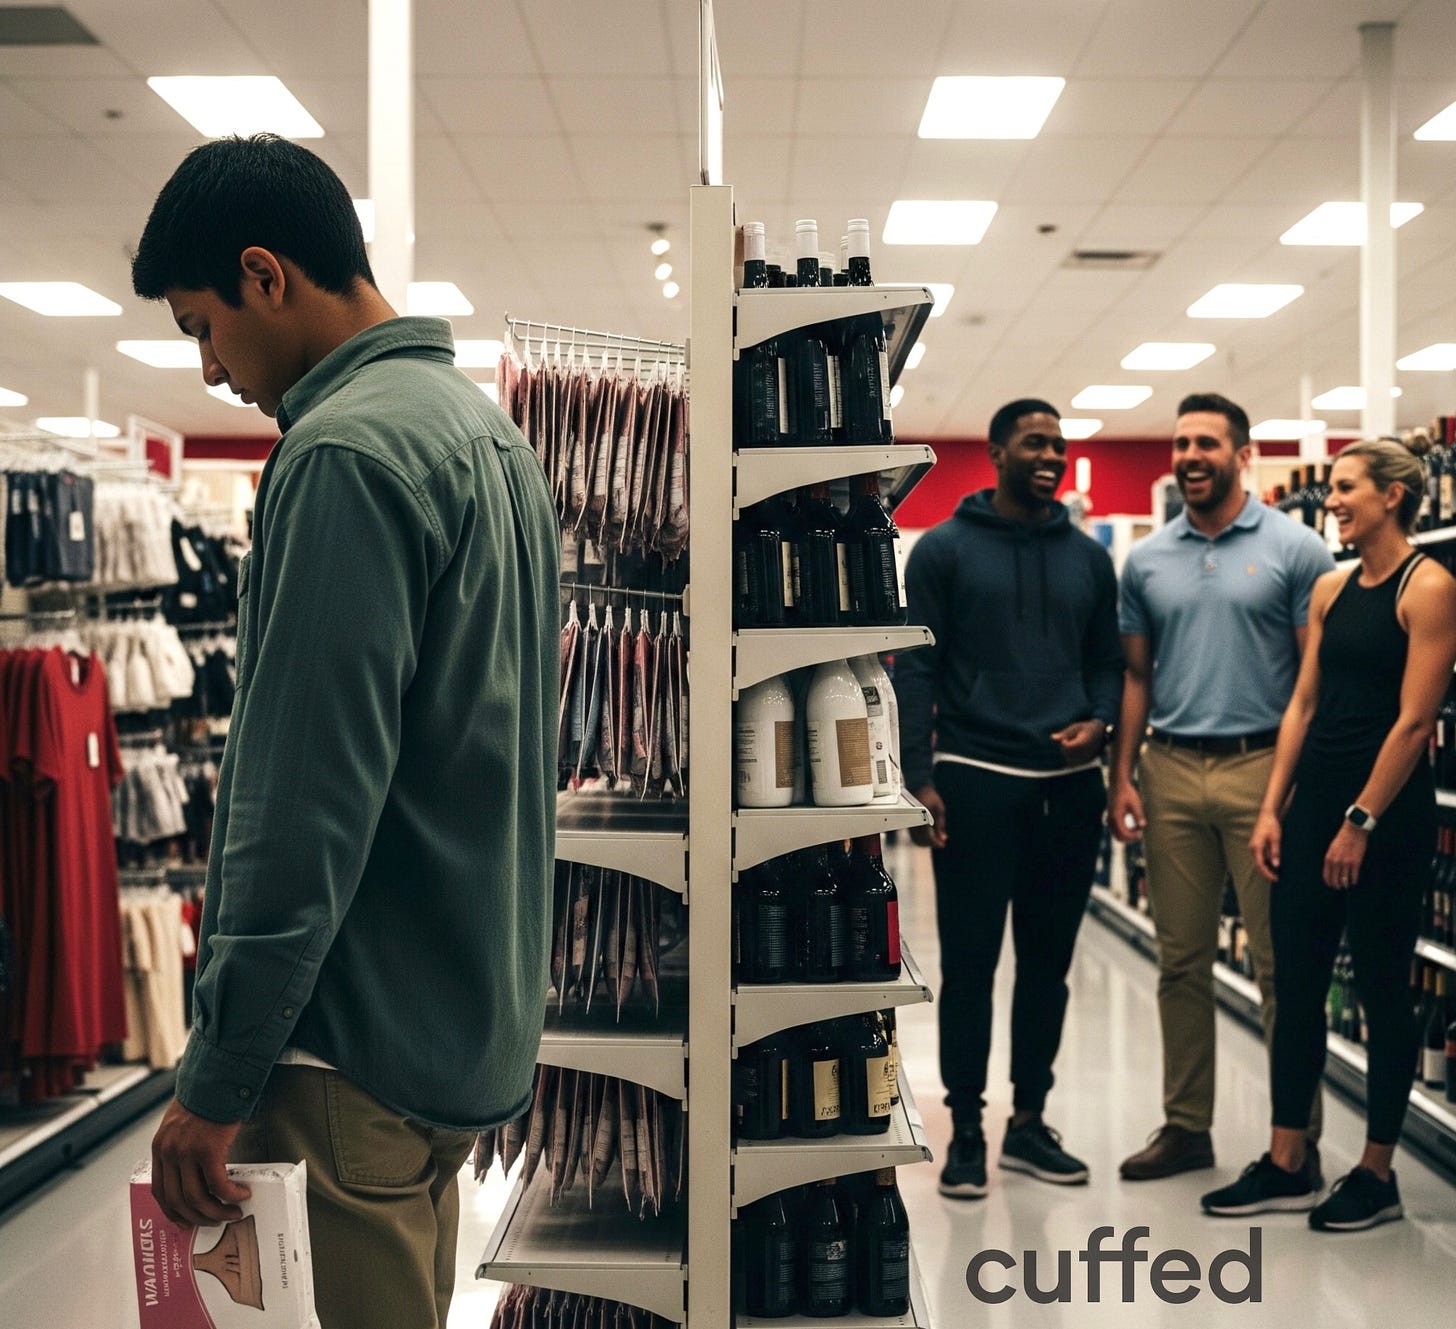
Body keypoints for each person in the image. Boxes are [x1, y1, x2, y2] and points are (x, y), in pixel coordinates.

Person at [131, 136, 559, 1329]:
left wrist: (217, 1074)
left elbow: (300, 800)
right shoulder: (488, 440)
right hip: (452, 1035)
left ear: (266, 275)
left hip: (337, 1053)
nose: (210, 369)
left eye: (200, 326)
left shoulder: (343, 455)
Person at [1202, 439, 1456, 1229]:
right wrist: (1274, 806)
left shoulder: (1432, 587)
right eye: (1335, 488)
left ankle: (1377, 1172)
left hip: (1386, 817)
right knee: (1298, 982)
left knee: (1383, 987)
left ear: (1393, 495)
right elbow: (1302, 706)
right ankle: (1288, 1159)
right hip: (1315, 805)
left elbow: (1416, 722)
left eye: (1347, 489)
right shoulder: (1329, 587)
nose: (1334, 502)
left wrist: (1360, 820)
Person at [898, 398, 1122, 1198]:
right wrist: (918, 776)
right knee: (971, 966)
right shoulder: (946, 552)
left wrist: (1099, 721)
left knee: (1048, 968)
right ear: (996, 452)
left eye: (1059, 445)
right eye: (1036, 442)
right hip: (975, 782)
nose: (1052, 455)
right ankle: (966, 1129)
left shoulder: (1089, 558)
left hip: (1069, 792)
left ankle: (1029, 1122)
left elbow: (1107, 663)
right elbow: (915, 667)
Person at [1112, 395, 1334, 1185]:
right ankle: (1187, 1125)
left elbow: (1315, 681)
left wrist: (1294, 788)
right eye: (1180, 442)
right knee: (1181, 961)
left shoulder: (1296, 548)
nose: (1189, 454)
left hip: (1262, 770)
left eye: (1207, 441)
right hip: (1169, 769)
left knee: (1283, 964)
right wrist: (1122, 778)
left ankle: (1296, 1137)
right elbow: (1137, 676)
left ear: (1242, 454)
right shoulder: (1147, 560)